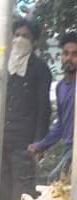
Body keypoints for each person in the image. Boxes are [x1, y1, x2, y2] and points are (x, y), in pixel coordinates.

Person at [0, 19, 52, 200]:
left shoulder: (40, 69)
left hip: (24, 142)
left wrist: (39, 142)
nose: (20, 40)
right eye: (17, 35)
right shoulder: (3, 66)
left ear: (34, 41)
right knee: (0, 191)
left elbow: (43, 108)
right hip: (1, 139)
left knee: (22, 193)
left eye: (25, 36)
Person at [30, 32, 77, 181]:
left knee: (55, 181)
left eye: (75, 54)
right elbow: (62, 124)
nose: (69, 58)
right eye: (66, 53)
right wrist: (41, 145)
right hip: (69, 148)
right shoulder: (61, 87)